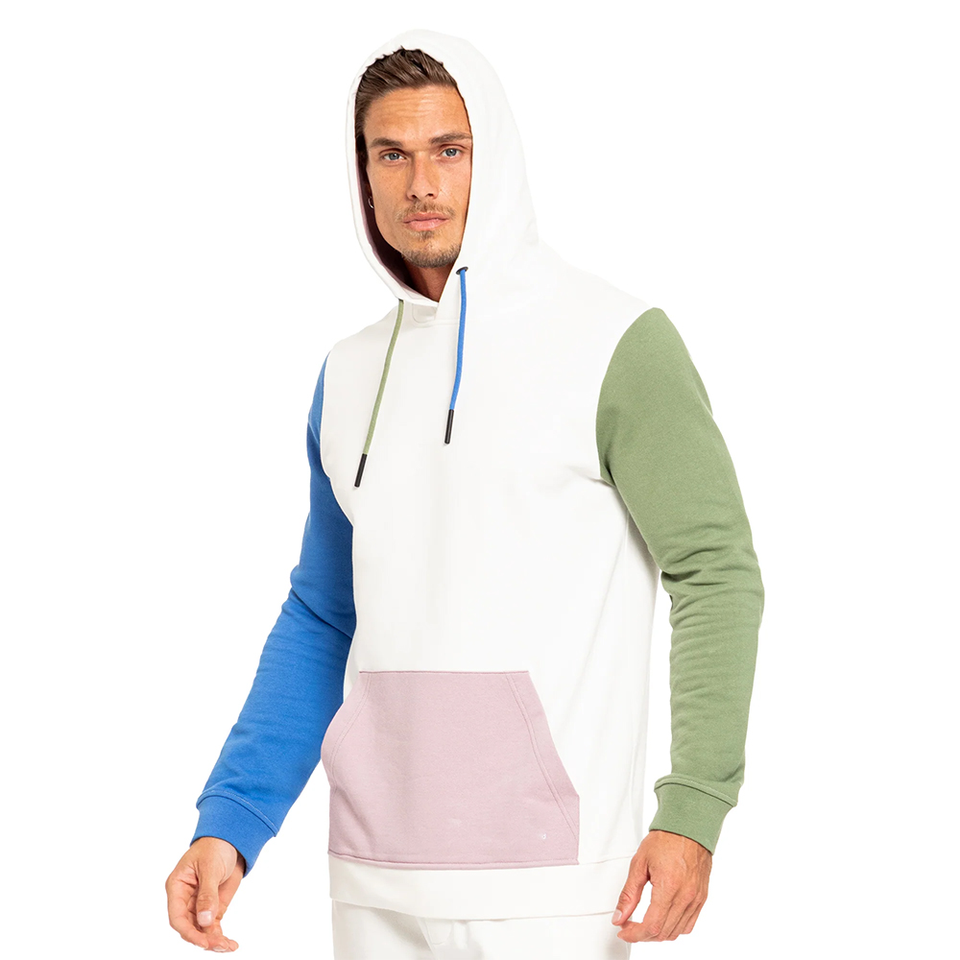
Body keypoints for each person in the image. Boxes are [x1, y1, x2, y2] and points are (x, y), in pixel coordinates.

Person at [165, 28, 764, 958]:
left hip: (558, 886)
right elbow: (323, 614)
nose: (421, 184)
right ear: (362, 173)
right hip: (374, 878)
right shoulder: (348, 373)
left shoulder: (615, 342)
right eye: (390, 154)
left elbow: (715, 571)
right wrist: (233, 818)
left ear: (498, 157)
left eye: (450, 150)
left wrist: (693, 809)